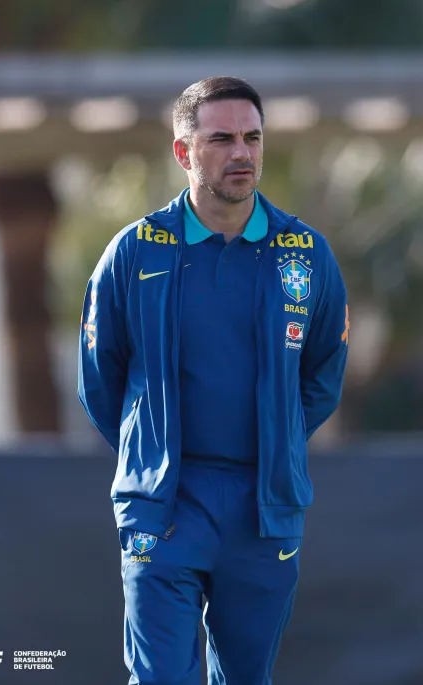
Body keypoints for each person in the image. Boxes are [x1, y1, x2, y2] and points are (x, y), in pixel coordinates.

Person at [78, 76, 349, 685]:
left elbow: (323, 375)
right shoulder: (135, 251)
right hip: (164, 505)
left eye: (253, 138)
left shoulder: (305, 253)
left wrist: (277, 438)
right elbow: (100, 380)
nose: (242, 153)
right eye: (222, 139)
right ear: (183, 151)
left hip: (263, 507)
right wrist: (149, 450)